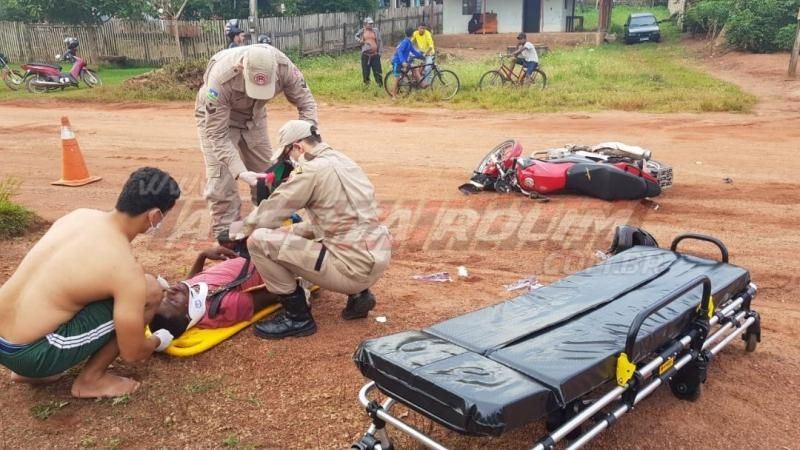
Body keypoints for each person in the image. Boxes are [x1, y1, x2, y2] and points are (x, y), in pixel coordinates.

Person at [0, 167, 181, 398]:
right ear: (155, 215)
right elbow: (132, 352)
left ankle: (30, 372)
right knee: (150, 290)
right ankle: (91, 380)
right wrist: (158, 340)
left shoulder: (79, 215)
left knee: (125, 289)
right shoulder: (124, 268)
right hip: (31, 354)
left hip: (4, 340)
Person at [232, 120, 391, 339]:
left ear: (298, 147)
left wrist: (238, 231)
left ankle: (297, 318)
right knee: (302, 232)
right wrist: (292, 232)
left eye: (289, 153)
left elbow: (271, 212)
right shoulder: (343, 161)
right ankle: (359, 296)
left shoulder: (311, 170)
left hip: (352, 269)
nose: (291, 160)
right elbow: (334, 222)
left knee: (259, 240)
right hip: (377, 255)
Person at [194, 45, 318, 245]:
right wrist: (240, 172)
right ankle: (228, 244)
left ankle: (266, 235)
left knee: (268, 177)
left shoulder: (285, 68)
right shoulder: (220, 78)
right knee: (222, 183)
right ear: (242, 68)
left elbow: (307, 105)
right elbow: (217, 135)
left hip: (255, 118)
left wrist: (308, 144)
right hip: (218, 121)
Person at [148, 246, 283, 339]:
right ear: (188, 317)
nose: (171, 290)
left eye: (165, 297)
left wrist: (203, 256)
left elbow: (191, 281)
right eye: (173, 301)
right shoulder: (222, 307)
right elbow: (276, 294)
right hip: (272, 260)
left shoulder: (187, 294)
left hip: (250, 254)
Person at [390, 27, 424, 97]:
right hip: (397, 61)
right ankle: (393, 95)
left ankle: (420, 83)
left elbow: (414, 52)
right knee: (398, 78)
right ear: (412, 34)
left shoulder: (409, 42)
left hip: (404, 61)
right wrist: (403, 62)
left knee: (414, 68)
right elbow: (399, 51)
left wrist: (422, 56)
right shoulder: (405, 42)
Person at [354, 17, 384, 88]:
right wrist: (360, 40)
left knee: (377, 70)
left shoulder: (375, 31)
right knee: (365, 71)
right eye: (369, 24)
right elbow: (355, 36)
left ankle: (380, 85)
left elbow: (380, 41)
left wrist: (379, 53)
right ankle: (366, 85)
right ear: (365, 24)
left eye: (372, 24)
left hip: (375, 55)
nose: (371, 25)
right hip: (365, 55)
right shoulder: (362, 31)